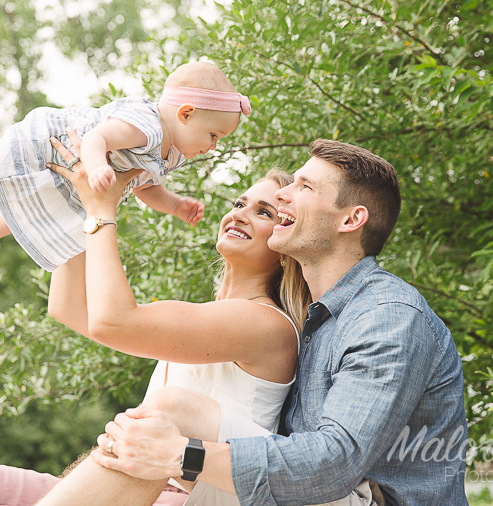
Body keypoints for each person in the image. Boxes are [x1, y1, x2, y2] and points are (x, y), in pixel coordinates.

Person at [0, 162, 368, 506]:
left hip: (179, 497)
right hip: (132, 486)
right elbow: (72, 309)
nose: (241, 213)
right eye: (240, 201)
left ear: (284, 242)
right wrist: (70, 208)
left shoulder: (264, 323)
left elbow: (113, 320)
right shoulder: (210, 314)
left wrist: (101, 210)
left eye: (265, 212)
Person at [47, 139, 468, 506]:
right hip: (298, 490)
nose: (285, 194)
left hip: (355, 498)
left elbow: (334, 463)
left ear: (350, 220)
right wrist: (74, 203)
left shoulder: (388, 317)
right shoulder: (319, 321)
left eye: (303, 187)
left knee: (173, 409)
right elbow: (76, 313)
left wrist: (181, 455)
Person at [0, 60, 250, 273]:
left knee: (51, 208)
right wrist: (97, 164)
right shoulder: (147, 125)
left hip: (72, 172)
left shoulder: (173, 153)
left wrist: (175, 204)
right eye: (214, 135)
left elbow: (144, 186)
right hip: (50, 144)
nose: (214, 147)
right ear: (185, 114)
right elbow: (97, 138)